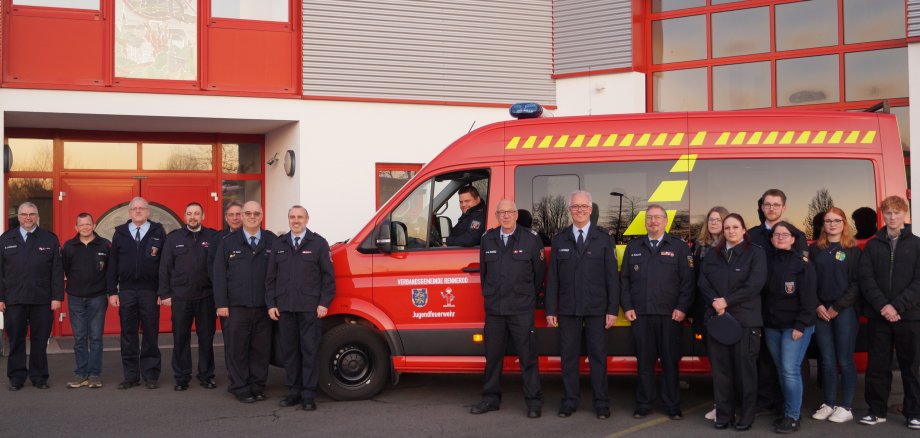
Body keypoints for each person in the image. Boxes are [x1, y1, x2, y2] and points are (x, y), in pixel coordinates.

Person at [545, 190, 618, 420]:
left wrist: (612, 310)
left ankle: (601, 403)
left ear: (590, 209)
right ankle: (569, 401)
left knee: (598, 358)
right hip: (568, 309)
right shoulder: (560, 239)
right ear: (569, 210)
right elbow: (553, 278)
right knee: (568, 358)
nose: (579, 210)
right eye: (575, 207)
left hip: (597, 309)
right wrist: (550, 310)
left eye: (583, 207)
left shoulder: (604, 238)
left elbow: (612, 278)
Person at [470, 200, 545, 418]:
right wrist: (491, 296)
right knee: (492, 358)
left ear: (516, 214)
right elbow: (484, 274)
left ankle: (533, 402)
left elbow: (538, 275)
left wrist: (526, 297)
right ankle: (490, 398)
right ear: (496, 215)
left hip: (521, 309)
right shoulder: (488, 239)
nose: (506, 216)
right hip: (495, 310)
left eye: (510, 212)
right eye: (501, 212)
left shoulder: (531, 239)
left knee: (528, 357)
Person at [620, 205, 694, 421]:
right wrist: (628, 306)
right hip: (641, 315)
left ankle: (672, 405)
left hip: (670, 316)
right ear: (645, 222)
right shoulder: (633, 246)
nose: (653, 221)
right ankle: (644, 404)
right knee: (644, 362)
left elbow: (688, 283)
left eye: (657, 218)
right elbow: (623, 280)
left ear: (665, 222)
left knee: (671, 362)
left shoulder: (679, 248)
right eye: (649, 218)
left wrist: (682, 308)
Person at [698, 213, 767, 430]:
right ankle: (724, 416)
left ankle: (745, 416)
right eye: (727, 227)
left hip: (745, 321)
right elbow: (703, 281)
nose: (730, 231)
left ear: (744, 230)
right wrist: (715, 302)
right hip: (718, 320)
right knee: (721, 372)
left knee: (745, 373)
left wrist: (726, 301)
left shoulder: (755, 253)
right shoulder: (713, 254)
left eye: (735, 227)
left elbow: (755, 285)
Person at [858, 195, 920, 429]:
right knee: (877, 366)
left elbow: (918, 282)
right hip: (879, 316)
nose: (892, 217)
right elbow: (866, 279)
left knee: (911, 367)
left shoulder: (917, 244)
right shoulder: (873, 245)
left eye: (897, 212)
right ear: (882, 215)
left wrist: (897, 306)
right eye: (888, 213)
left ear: (905, 215)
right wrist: (884, 306)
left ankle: (914, 412)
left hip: (910, 316)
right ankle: (876, 411)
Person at [267, 205, 336, 411]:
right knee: (290, 353)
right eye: (292, 217)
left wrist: (324, 303)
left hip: (310, 309)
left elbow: (328, 278)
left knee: (309, 351)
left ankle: (308, 394)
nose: (295, 220)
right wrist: (271, 304)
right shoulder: (279, 244)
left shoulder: (318, 244)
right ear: (288, 219)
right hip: (285, 308)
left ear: (307, 219)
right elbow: (270, 279)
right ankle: (293, 392)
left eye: (299, 217)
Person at [748, 189, 805, 415]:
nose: (771, 208)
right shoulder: (751, 235)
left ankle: (786, 404)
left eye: (776, 204)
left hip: (788, 309)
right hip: (759, 305)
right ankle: (765, 400)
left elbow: (803, 273)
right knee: (763, 357)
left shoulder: (796, 235)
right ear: (761, 207)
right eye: (767, 204)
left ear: (784, 207)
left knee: (789, 361)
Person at [213, 201, 277, 403]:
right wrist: (221, 304)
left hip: (263, 307)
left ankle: (257, 386)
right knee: (237, 349)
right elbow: (219, 275)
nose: (251, 216)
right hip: (236, 307)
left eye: (255, 213)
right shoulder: (228, 242)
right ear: (241, 215)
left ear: (261, 215)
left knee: (260, 349)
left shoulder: (272, 241)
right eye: (247, 213)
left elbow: (278, 274)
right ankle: (239, 386)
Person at [0, 202, 64, 391]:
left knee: (40, 339)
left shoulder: (49, 239)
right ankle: (17, 377)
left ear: (37, 216)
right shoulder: (5, 239)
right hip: (14, 299)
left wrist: (56, 297)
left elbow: (57, 271)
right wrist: (1, 298)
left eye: (32, 214)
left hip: (42, 299)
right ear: (18, 217)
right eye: (24, 214)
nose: (28, 217)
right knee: (16, 339)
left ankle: (39, 377)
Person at [762, 221, 817, 433]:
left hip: (795, 327)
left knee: (790, 370)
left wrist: (801, 326)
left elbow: (810, 300)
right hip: (772, 326)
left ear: (794, 239)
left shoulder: (803, 264)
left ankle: (793, 416)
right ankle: (787, 410)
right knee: (781, 370)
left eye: (785, 234)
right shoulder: (766, 262)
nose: (780, 237)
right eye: (776, 234)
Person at [107, 196, 166, 390]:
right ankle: (131, 375)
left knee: (150, 333)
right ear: (130, 212)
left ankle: (150, 375)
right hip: (127, 291)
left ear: (148, 211)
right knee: (128, 334)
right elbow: (112, 264)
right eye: (135, 209)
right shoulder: (120, 234)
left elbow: (165, 265)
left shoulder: (158, 232)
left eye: (142, 208)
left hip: (150, 291)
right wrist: (112, 292)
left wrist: (163, 291)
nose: (138, 211)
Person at [158, 202, 218, 391]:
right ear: (185, 217)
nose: (193, 217)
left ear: (203, 216)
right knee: (181, 338)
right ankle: (182, 377)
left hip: (206, 296)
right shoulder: (173, 238)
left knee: (206, 338)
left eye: (196, 214)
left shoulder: (213, 237)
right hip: (181, 297)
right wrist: (165, 293)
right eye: (189, 214)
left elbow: (218, 268)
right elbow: (165, 267)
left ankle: (206, 375)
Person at [809, 207, 861, 424]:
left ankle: (846, 406)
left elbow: (857, 284)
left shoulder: (853, 250)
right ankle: (829, 404)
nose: (832, 224)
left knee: (845, 360)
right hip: (821, 312)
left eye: (836, 220)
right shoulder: (815, 250)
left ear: (844, 223)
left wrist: (837, 306)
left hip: (844, 311)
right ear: (823, 225)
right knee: (827, 360)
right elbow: (808, 281)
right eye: (828, 221)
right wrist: (817, 305)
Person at [62, 212, 111, 389]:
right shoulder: (69, 246)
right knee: (80, 337)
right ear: (76, 228)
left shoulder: (105, 245)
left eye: (88, 224)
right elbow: (66, 269)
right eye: (81, 225)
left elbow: (110, 271)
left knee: (96, 337)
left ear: (94, 225)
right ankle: (81, 375)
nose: (85, 227)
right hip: (75, 298)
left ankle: (94, 375)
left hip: (98, 297)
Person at [693, 206, 728, 422]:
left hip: (724, 309)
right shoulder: (699, 247)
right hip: (703, 309)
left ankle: (726, 405)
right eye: (711, 219)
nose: (714, 223)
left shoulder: (732, 246)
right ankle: (721, 404)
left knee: (726, 361)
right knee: (715, 361)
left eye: (719, 219)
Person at [208, 201, 243, 281]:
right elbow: (211, 267)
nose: (235, 218)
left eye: (238, 214)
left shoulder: (252, 237)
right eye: (231, 215)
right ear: (226, 218)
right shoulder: (217, 239)